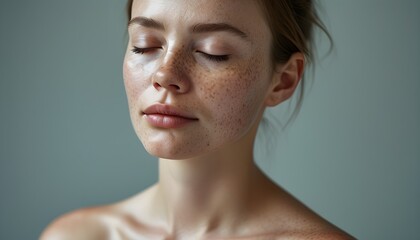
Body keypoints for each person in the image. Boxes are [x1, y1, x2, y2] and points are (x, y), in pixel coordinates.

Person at [41, 0, 354, 239]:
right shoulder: (75, 235)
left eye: (213, 52)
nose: (165, 74)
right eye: (144, 45)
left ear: (283, 81)